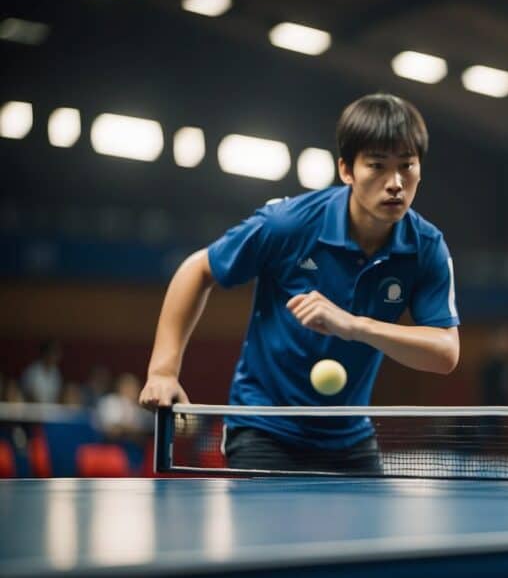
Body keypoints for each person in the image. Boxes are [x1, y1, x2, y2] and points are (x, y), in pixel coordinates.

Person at [139, 94, 461, 473]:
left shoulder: (425, 248)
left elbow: (445, 352)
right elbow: (198, 269)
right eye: (376, 166)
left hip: (349, 436)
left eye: (406, 166)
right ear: (347, 170)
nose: (395, 183)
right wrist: (162, 371)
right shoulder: (288, 225)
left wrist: (354, 326)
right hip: (265, 430)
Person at [20, 339, 63, 403]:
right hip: (33, 409)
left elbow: (58, 396)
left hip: (52, 410)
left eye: (57, 354)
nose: (56, 357)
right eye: (53, 353)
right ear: (45, 353)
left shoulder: (56, 373)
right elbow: (26, 395)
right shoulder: (32, 371)